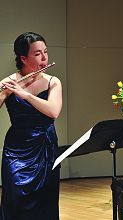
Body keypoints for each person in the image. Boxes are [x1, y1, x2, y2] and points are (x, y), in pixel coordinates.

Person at [0, 32, 62, 220]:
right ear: (23, 58)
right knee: (15, 196)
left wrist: (24, 94)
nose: (44, 58)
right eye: (37, 54)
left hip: (45, 146)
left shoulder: (53, 82)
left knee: (45, 199)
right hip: (17, 148)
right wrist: (4, 92)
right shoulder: (9, 82)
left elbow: (53, 111)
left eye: (45, 52)